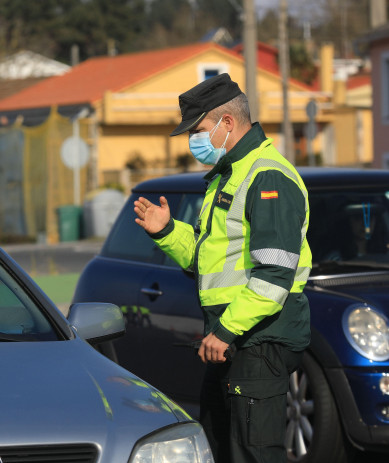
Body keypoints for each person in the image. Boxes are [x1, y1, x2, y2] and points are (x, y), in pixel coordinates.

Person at [133, 73, 311, 463]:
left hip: (257, 339)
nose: (193, 141)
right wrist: (167, 232)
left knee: (254, 453)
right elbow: (209, 261)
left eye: (198, 130)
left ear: (227, 123)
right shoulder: (229, 174)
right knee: (221, 446)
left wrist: (226, 330)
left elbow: (275, 274)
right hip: (231, 339)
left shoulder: (267, 177)